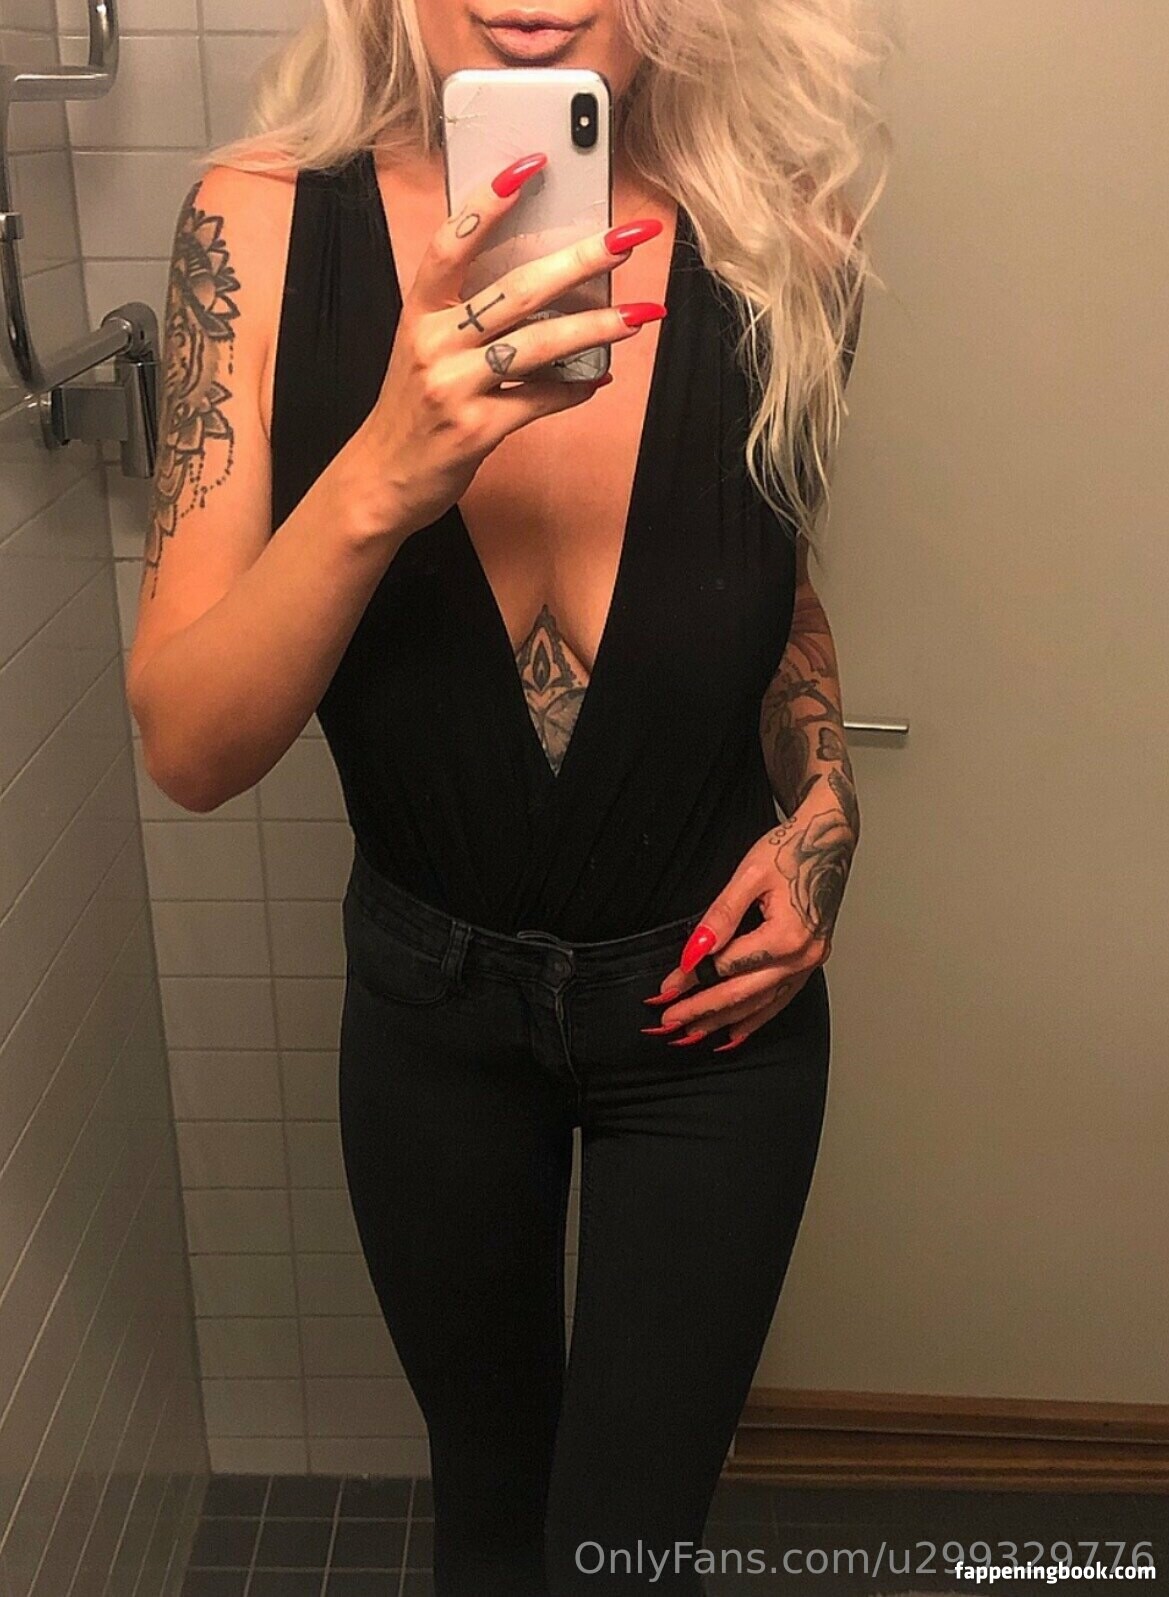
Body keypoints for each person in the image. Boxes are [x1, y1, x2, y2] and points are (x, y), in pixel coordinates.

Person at [128, 2, 891, 1591]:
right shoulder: (254, 227)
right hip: (433, 1015)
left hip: (708, 1012)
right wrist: (384, 467)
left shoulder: (785, 233)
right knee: (486, 1513)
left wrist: (823, 804)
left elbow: (766, 583)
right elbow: (191, 748)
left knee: (626, 1543)